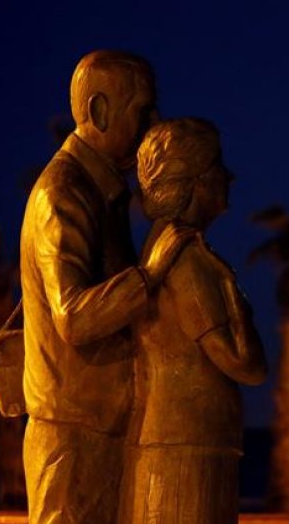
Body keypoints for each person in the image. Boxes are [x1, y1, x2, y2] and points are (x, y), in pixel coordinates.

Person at [20, 50, 191, 524]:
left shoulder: (99, 192)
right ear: (99, 111)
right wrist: (149, 275)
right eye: (143, 110)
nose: (154, 123)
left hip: (97, 427)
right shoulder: (63, 193)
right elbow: (72, 316)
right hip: (73, 433)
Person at [118, 118, 267, 524]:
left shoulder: (169, 249)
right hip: (185, 447)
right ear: (197, 181)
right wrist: (232, 293)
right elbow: (244, 362)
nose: (229, 176)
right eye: (219, 166)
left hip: (182, 442)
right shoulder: (187, 259)